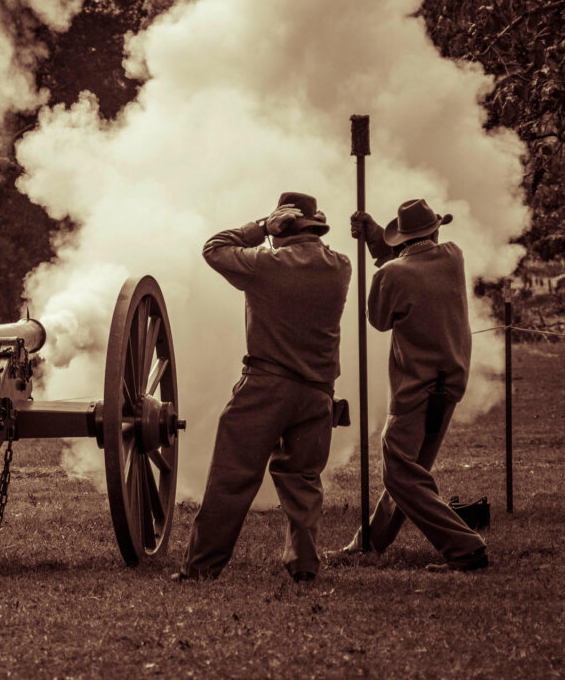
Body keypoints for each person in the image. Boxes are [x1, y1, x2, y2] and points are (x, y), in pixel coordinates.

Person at [174, 192, 351, 583]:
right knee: (303, 481)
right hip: (318, 391)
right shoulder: (340, 265)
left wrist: (259, 226)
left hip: (266, 387)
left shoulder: (265, 264)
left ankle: (201, 567)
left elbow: (214, 248)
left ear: (281, 230)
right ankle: (304, 565)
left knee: (231, 478)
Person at [338, 199, 488, 572]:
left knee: (399, 475)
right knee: (412, 472)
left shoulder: (391, 275)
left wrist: (380, 254)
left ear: (402, 238)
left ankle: (464, 546)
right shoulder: (453, 255)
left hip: (414, 389)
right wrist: (374, 236)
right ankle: (371, 543)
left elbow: (379, 319)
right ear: (436, 232)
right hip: (450, 384)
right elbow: (406, 258)